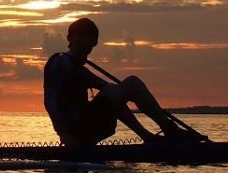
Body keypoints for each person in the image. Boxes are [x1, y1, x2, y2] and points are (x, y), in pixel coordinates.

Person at [44, 17, 197, 146]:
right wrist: (64, 134)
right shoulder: (61, 63)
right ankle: (168, 130)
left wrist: (120, 95)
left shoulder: (79, 68)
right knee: (131, 84)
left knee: (114, 92)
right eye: (81, 39)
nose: (86, 45)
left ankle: (149, 137)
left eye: (89, 42)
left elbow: (111, 90)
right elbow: (50, 102)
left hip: (83, 129)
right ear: (70, 39)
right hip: (76, 132)